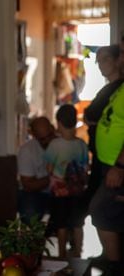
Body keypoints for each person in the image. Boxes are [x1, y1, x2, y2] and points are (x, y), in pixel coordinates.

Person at [89, 34, 124, 275]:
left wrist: (120, 166)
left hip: (118, 165)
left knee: (101, 209)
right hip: (108, 162)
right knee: (108, 212)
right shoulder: (118, 88)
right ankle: (112, 261)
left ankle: (115, 268)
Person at [44, 104, 89, 258]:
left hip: (59, 192)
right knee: (77, 224)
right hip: (78, 192)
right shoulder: (82, 144)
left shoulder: (55, 145)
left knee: (61, 224)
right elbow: (85, 167)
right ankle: (78, 253)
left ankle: (62, 254)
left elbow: (49, 168)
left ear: (59, 123)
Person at [83, 44, 124, 208]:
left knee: (101, 209)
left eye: (105, 59)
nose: (101, 64)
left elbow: (92, 115)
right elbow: (89, 115)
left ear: (118, 60)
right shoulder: (107, 88)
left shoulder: (119, 88)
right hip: (103, 157)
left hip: (115, 160)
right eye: (98, 61)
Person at [17, 117, 56, 225]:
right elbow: (28, 185)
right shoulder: (27, 150)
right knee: (29, 213)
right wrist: (53, 178)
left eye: (50, 135)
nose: (48, 140)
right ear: (34, 136)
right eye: (43, 139)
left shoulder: (62, 144)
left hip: (58, 192)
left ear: (53, 129)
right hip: (34, 193)